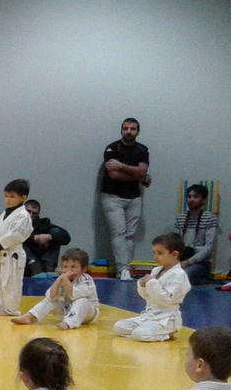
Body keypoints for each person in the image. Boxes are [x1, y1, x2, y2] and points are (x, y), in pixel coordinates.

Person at [114, 232, 190, 343]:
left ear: (174, 254)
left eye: (160, 253)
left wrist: (152, 282)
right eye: (154, 253)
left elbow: (166, 300)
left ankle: (166, 334)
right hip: (149, 316)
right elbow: (148, 296)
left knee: (139, 334)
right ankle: (148, 330)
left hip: (166, 318)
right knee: (118, 327)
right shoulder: (156, 270)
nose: (155, 257)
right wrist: (142, 285)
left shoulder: (179, 275)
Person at [99, 118, 151, 281]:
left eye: (133, 129)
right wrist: (138, 176)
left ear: (138, 132)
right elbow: (113, 174)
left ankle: (123, 270)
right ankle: (123, 269)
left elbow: (142, 171)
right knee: (119, 233)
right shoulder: (112, 148)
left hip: (134, 198)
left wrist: (121, 166)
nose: (129, 131)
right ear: (121, 130)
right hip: (112, 197)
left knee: (130, 235)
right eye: (126, 128)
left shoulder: (142, 150)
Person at [12, 248, 99, 330]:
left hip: (88, 313)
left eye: (73, 267)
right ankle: (30, 316)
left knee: (82, 301)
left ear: (83, 269)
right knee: (50, 300)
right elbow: (51, 296)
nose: (68, 270)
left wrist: (64, 279)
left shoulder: (86, 280)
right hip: (69, 309)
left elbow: (73, 294)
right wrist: (59, 279)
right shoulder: (63, 278)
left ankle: (69, 323)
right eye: (65, 267)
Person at [0, 179, 33, 316]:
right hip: (0, 253)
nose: (8, 200)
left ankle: (11, 309)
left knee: (11, 283)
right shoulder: (4, 214)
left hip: (13, 254)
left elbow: (16, 235)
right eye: (6, 196)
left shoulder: (23, 216)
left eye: (12, 197)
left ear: (23, 198)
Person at [174, 184, 219, 286]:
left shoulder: (210, 218)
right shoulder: (180, 218)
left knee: (184, 275)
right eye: (189, 196)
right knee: (159, 272)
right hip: (181, 258)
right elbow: (174, 243)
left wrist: (188, 262)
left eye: (196, 197)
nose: (191, 199)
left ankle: (204, 279)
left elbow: (209, 248)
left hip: (201, 262)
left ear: (204, 200)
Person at [22, 200, 72, 277]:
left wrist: (49, 237)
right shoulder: (14, 223)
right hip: (25, 263)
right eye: (28, 211)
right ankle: (34, 264)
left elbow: (66, 237)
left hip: (43, 260)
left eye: (34, 213)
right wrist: (35, 238)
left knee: (55, 234)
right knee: (17, 241)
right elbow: (12, 235)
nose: (30, 215)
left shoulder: (43, 224)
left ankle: (50, 265)